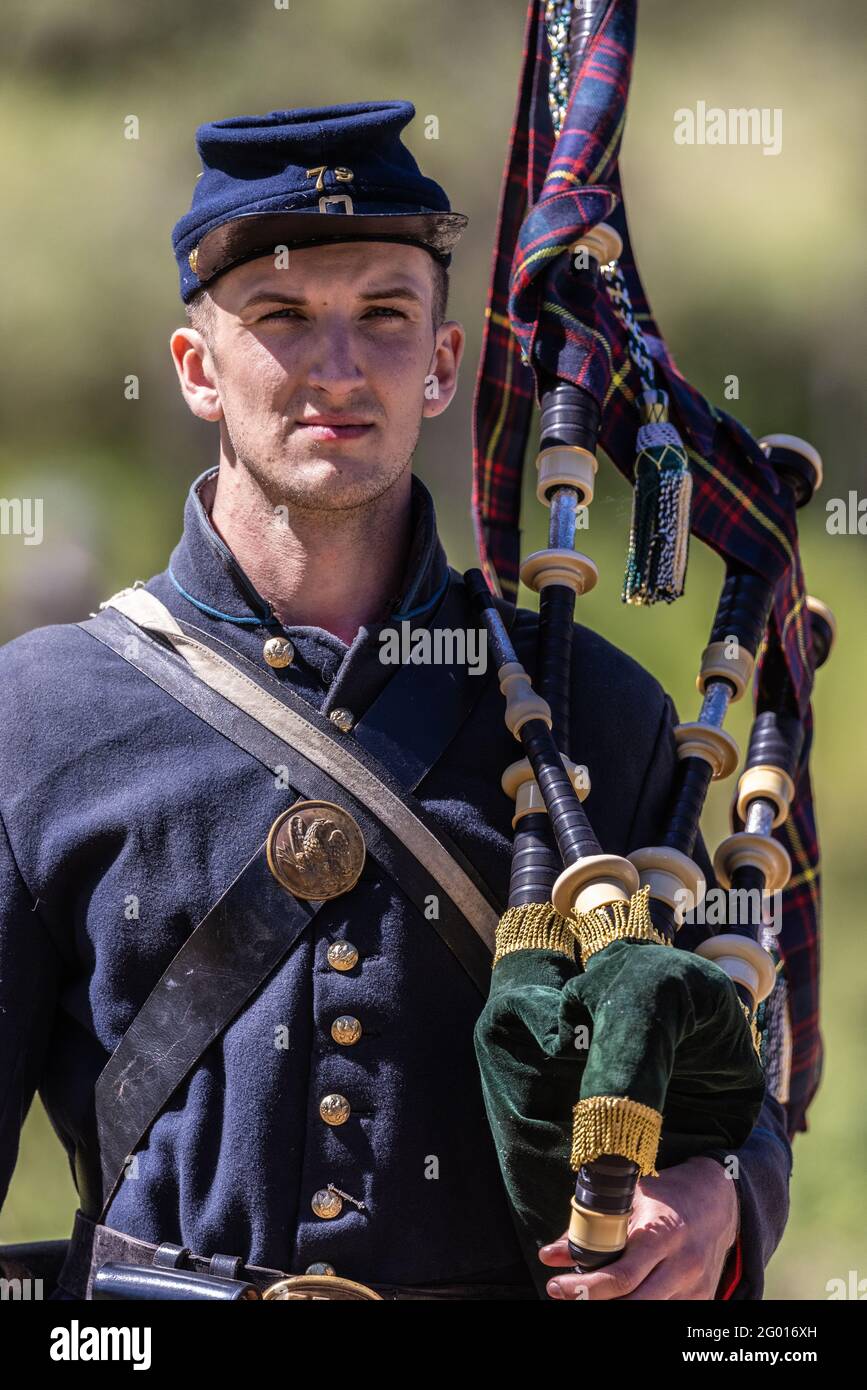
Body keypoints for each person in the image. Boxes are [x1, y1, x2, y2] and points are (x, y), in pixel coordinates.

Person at [0, 100, 792, 1301]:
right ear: (195, 368)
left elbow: (733, 1089)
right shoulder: (38, 717)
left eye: (383, 315)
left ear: (441, 364)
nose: (336, 366)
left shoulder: (601, 714)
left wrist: (719, 1195)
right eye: (280, 317)